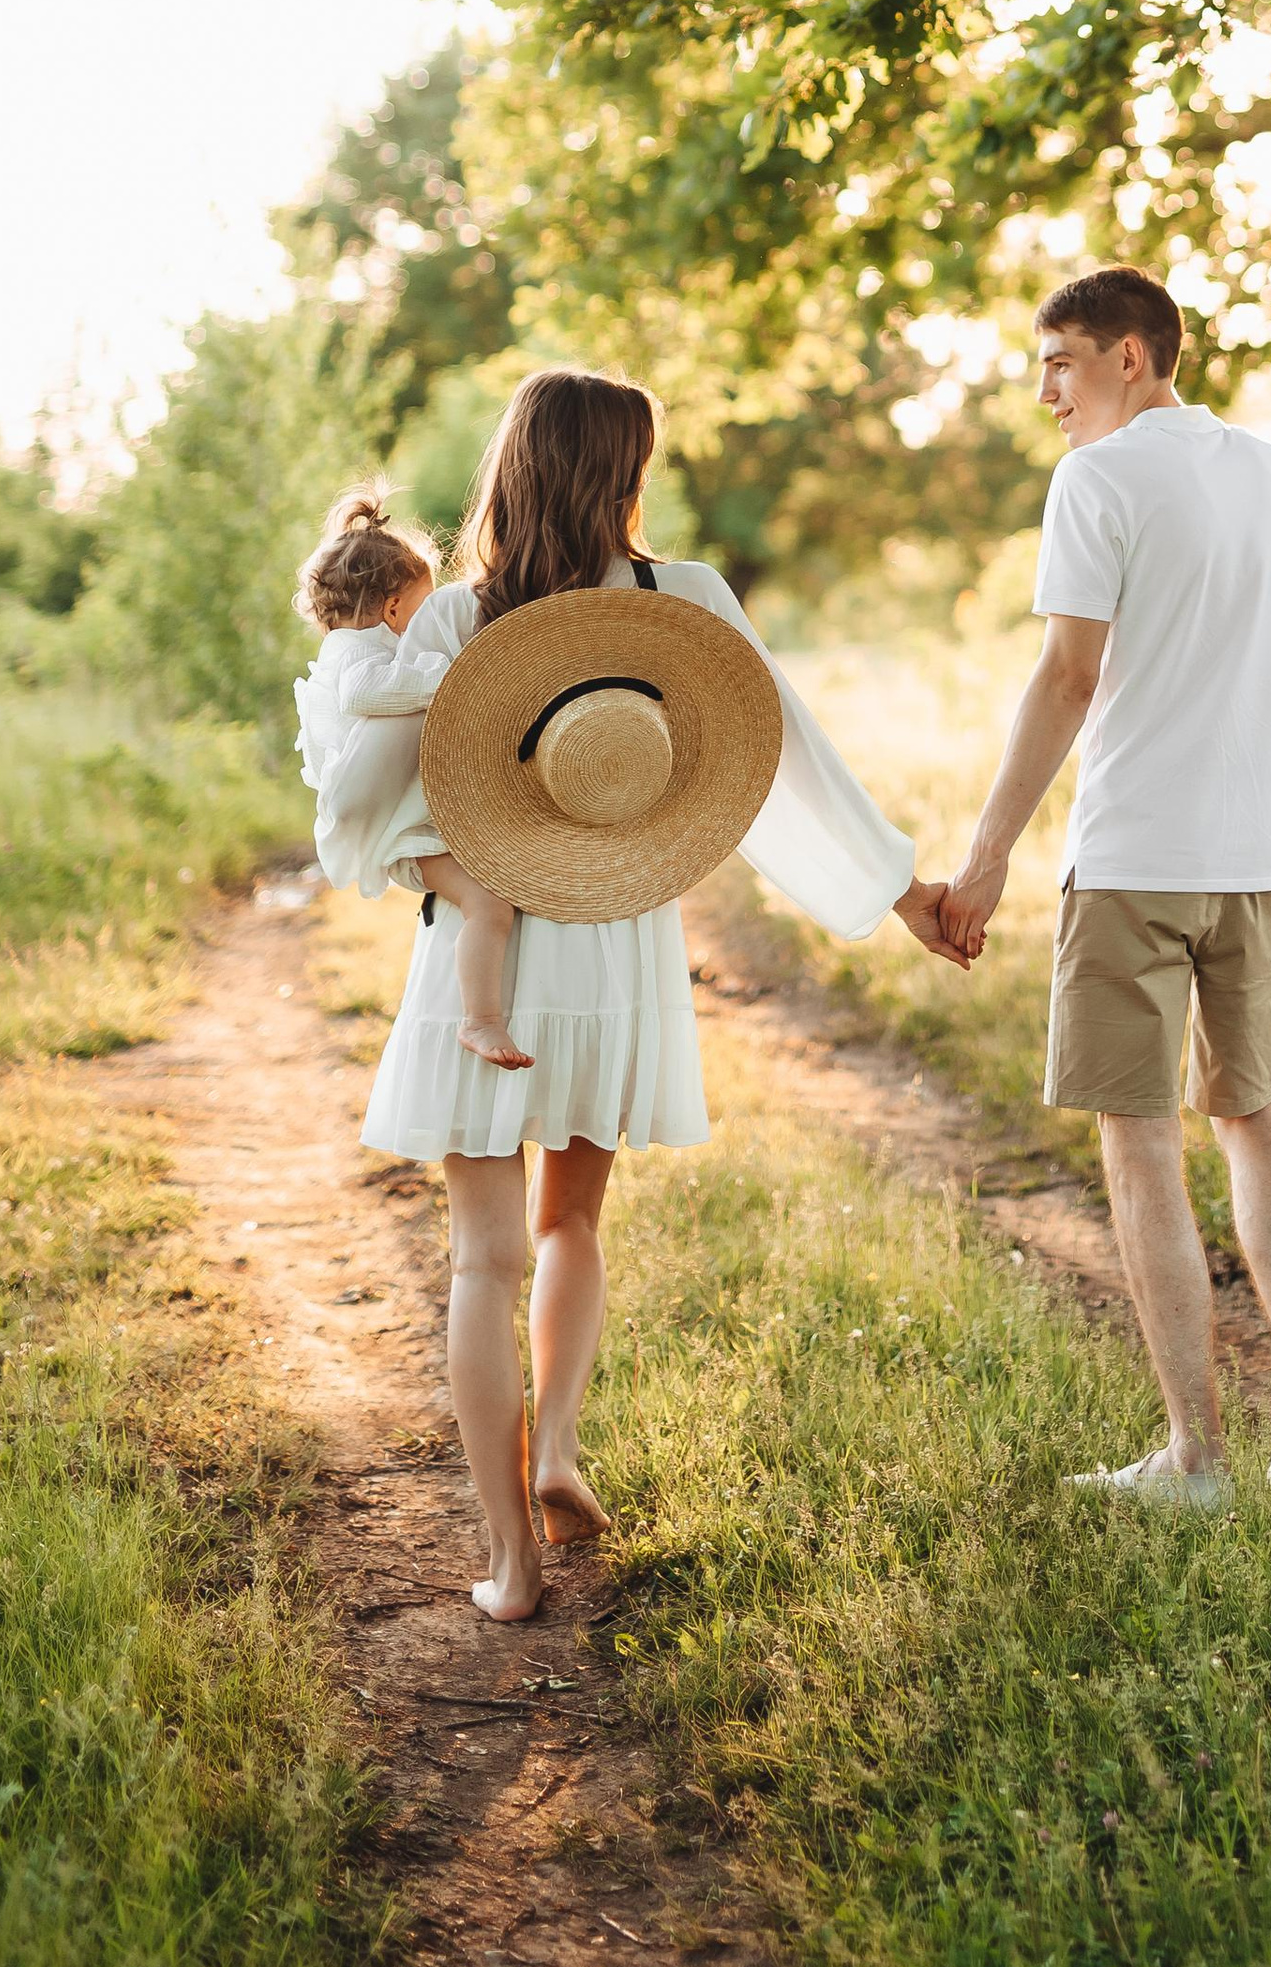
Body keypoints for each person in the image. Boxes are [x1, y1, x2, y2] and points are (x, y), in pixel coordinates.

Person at [311, 366, 964, 1621]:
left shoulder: (454, 619)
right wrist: (903, 892)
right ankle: (557, 1444)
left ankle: (511, 1563)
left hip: (482, 959)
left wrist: (429, 862)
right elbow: (793, 766)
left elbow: (362, 808)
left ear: (512, 465)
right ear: (628, 473)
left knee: (482, 1262)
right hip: (615, 952)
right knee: (572, 1223)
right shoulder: (685, 600)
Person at [941, 265, 1271, 1509]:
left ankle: (1196, 1459)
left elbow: (1067, 678)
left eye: (1059, 364)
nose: (1045, 394)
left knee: (1138, 1144)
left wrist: (985, 856)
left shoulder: (1098, 479)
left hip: (1133, 864)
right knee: (1254, 1117)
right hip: (1258, 865)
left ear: (1129, 357)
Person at [294, 491, 530, 1072]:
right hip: (398, 837)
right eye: (427, 609)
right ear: (396, 609)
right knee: (489, 901)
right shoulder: (355, 655)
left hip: (401, 825)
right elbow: (366, 693)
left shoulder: (357, 646)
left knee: (491, 894)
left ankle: (482, 1015)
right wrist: (455, 674)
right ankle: (481, 1019)